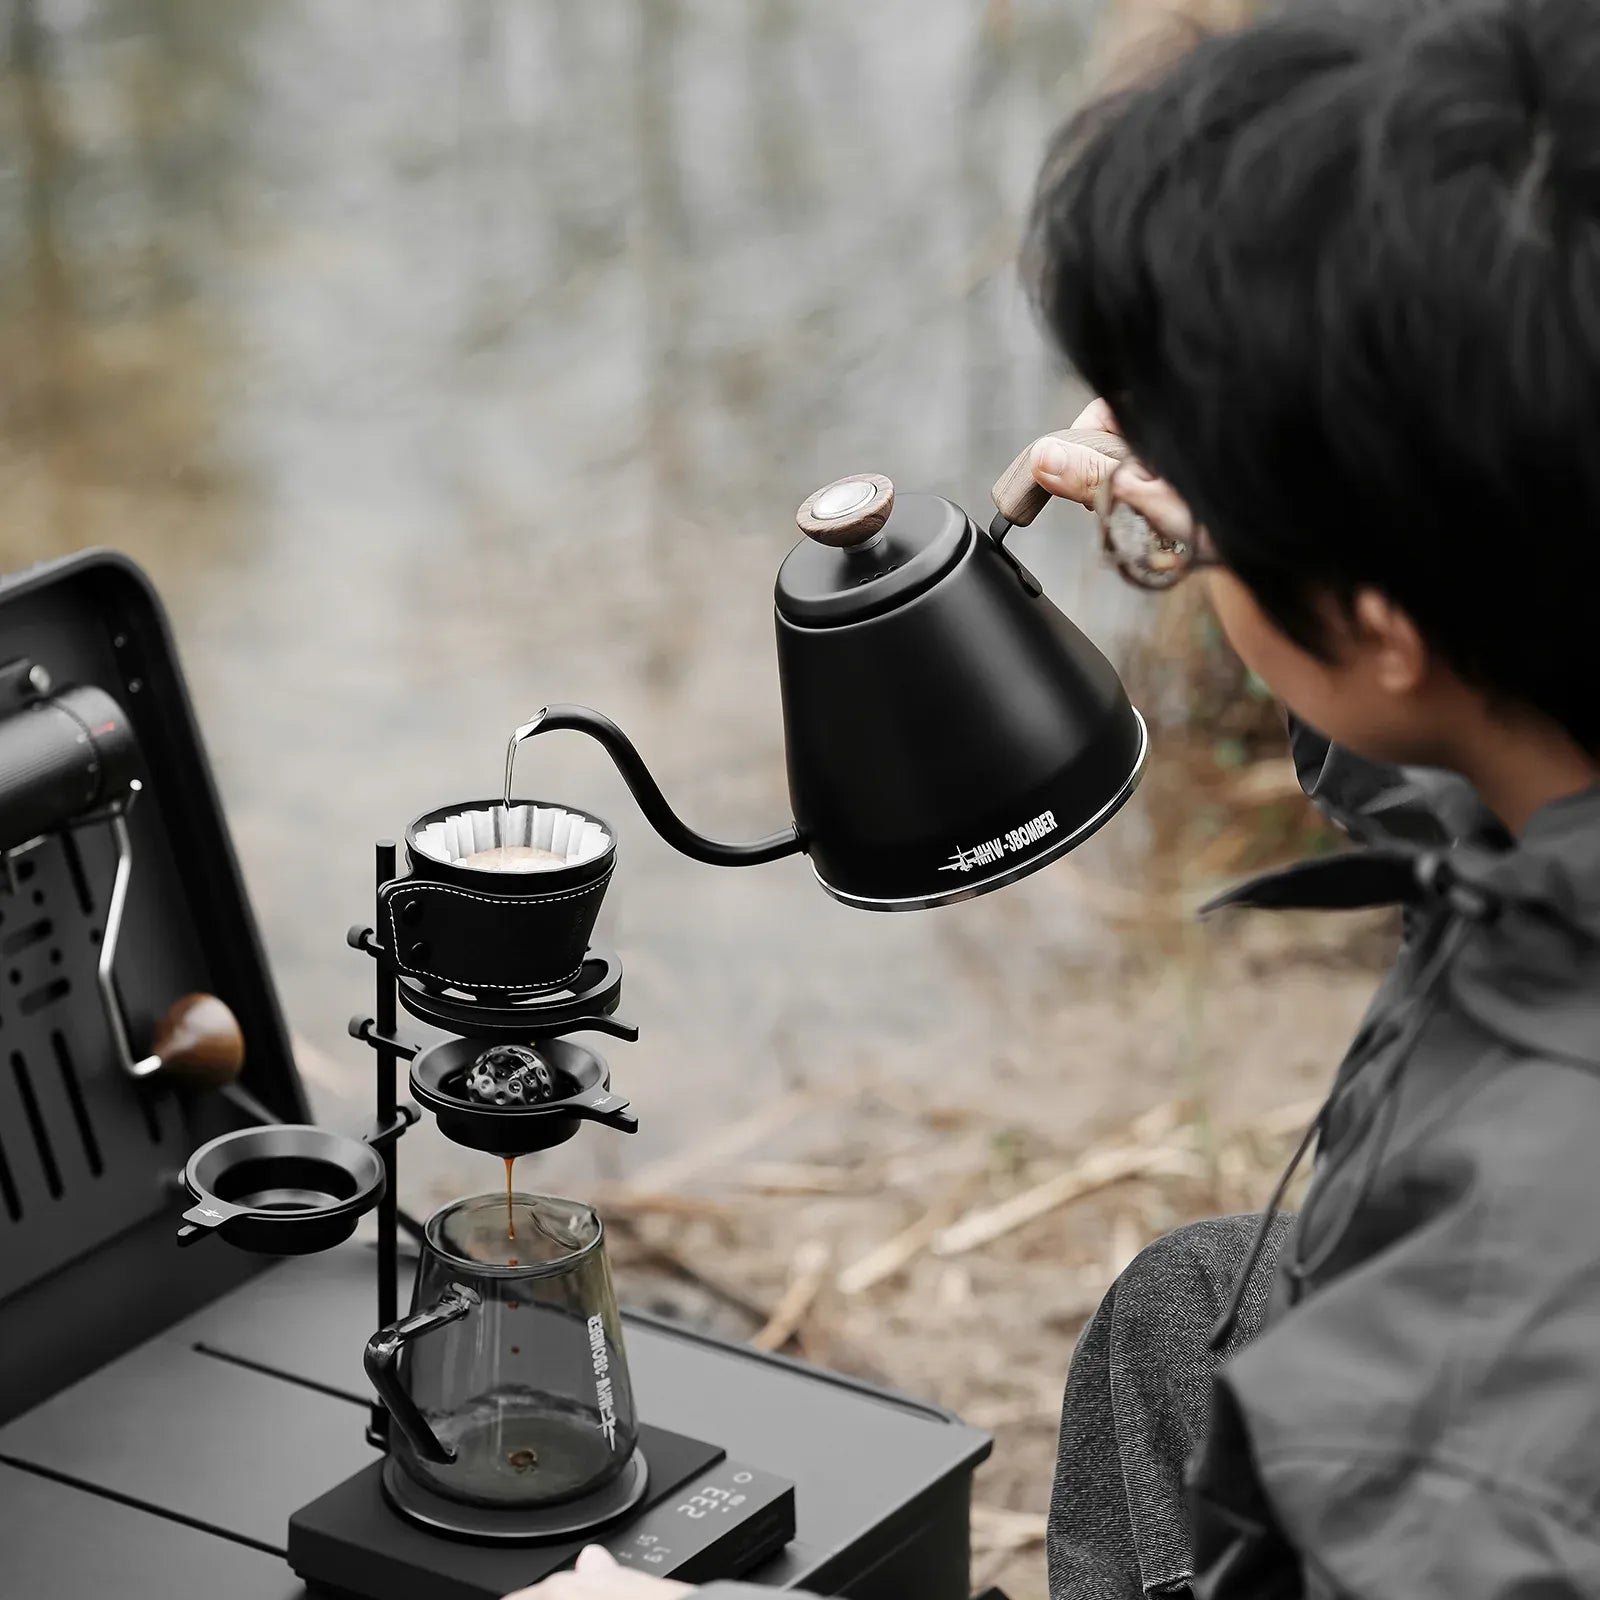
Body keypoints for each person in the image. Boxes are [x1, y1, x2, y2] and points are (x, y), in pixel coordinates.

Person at [510, 0, 1600, 1595]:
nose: (1184, 538)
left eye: (1204, 523)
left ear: (1384, 626)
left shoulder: (1489, 1351)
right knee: (1185, 1316)